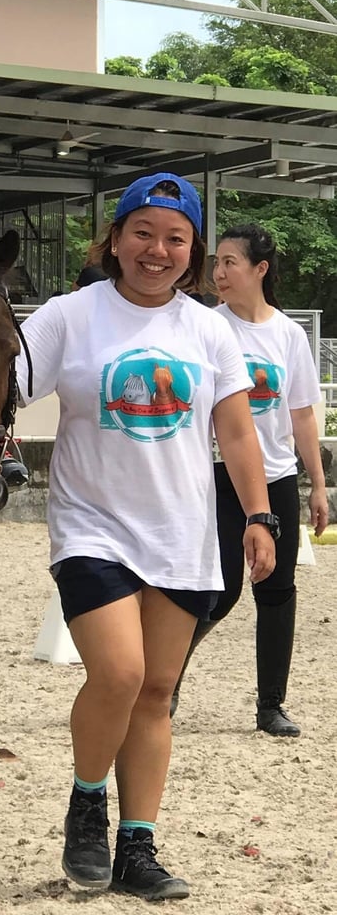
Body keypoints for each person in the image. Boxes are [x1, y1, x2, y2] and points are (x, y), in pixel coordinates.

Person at [16, 173, 277, 900]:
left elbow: (235, 430)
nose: (156, 250)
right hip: (92, 528)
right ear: (115, 238)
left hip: (182, 533)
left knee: (157, 692)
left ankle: (138, 847)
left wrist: (258, 515)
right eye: (143, 233)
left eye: (175, 239)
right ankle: (86, 806)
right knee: (120, 674)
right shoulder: (68, 316)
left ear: (191, 254)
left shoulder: (208, 328)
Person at [171, 224, 328, 736]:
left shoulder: (286, 333)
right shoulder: (203, 325)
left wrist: (318, 484)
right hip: (216, 473)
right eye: (216, 263)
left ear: (260, 270)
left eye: (230, 263)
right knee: (220, 589)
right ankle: (163, 681)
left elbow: (301, 413)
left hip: (277, 475)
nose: (218, 273)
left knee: (278, 589)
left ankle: (270, 705)